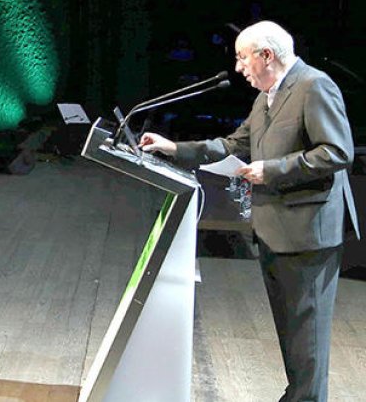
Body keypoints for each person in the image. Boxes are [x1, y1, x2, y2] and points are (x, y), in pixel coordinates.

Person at [139, 21, 358, 402]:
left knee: (308, 345)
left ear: (266, 55)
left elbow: (337, 152)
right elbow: (232, 144)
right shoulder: (267, 96)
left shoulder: (314, 86)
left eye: (243, 57)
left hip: (308, 234)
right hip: (275, 229)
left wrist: (270, 169)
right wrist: (174, 148)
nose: (239, 67)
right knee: (293, 338)